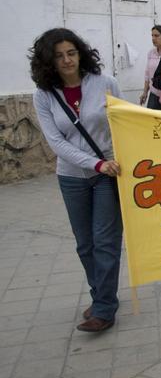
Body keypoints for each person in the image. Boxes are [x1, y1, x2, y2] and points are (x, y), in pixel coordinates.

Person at [30, 28, 123, 333]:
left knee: (105, 243)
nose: (67, 60)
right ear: (48, 61)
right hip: (71, 177)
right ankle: (101, 296)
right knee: (85, 245)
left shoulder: (105, 83)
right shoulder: (44, 95)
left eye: (71, 53)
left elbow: (124, 123)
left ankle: (104, 309)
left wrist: (115, 161)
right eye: (59, 56)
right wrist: (95, 163)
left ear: (81, 53)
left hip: (108, 174)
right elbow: (56, 142)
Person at [141, 24, 161, 109]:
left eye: (157, 36)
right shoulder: (151, 53)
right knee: (151, 116)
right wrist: (145, 92)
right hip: (154, 93)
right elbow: (147, 74)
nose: (153, 38)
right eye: (152, 36)